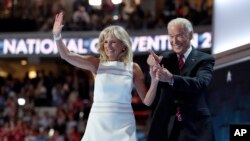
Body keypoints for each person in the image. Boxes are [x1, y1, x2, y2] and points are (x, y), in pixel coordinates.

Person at [52, 12, 159, 141]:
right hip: (98, 123)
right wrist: (57, 36)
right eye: (106, 42)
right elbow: (66, 55)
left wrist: (155, 79)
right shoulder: (96, 64)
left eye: (113, 42)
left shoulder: (133, 68)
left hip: (124, 124)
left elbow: (147, 101)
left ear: (123, 46)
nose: (108, 46)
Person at [146, 18, 215, 141]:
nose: (174, 41)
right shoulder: (166, 58)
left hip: (196, 128)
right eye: (171, 36)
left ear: (190, 35)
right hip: (169, 128)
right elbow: (150, 86)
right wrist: (151, 64)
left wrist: (172, 78)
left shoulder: (204, 59)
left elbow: (200, 83)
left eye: (179, 35)